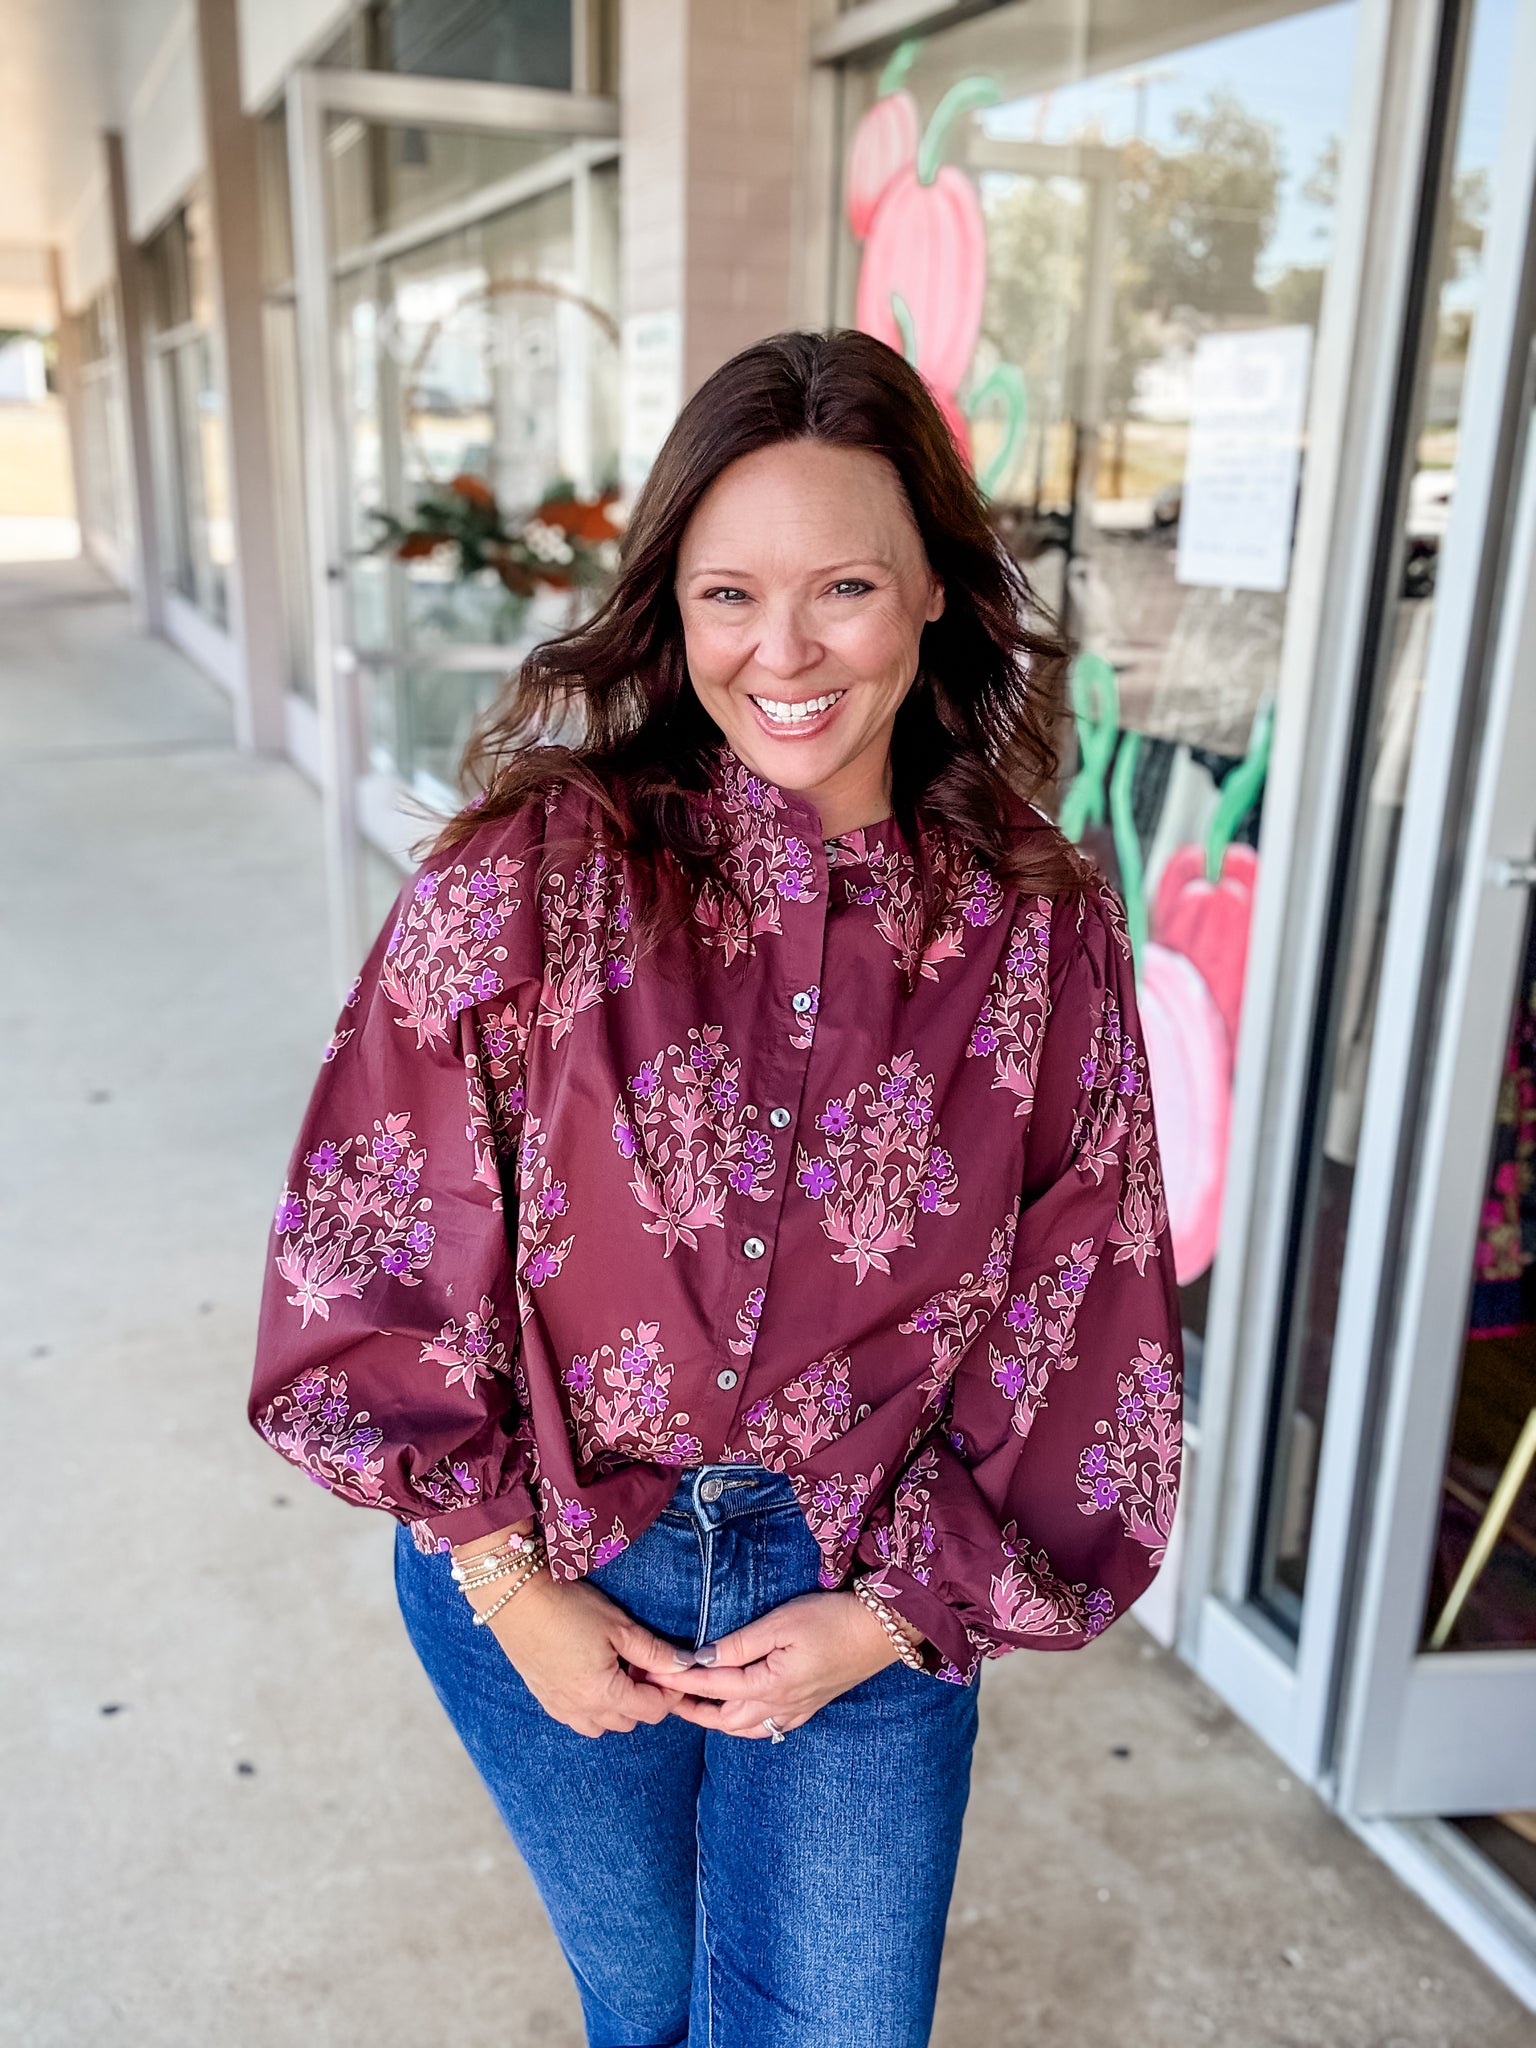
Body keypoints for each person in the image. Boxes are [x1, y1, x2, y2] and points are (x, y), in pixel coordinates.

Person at [249, 329, 1182, 2048]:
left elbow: (1086, 1299)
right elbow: (367, 1239)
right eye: (728, 593)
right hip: (551, 1559)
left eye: (842, 587)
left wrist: (895, 1614)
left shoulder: (1037, 927)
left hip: (867, 1586)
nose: (784, 650)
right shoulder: (531, 877)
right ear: (673, 615)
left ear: (932, 605)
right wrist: (505, 1580)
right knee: (653, 2008)